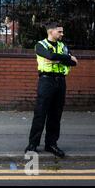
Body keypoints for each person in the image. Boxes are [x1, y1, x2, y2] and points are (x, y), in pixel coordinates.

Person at [25, 22, 78, 158]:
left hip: (61, 82)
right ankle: (33, 144)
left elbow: (74, 62)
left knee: (56, 114)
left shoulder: (63, 46)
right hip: (46, 81)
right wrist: (66, 58)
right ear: (51, 31)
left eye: (62, 31)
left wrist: (61, 59)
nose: (62, 34)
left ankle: (51, 144)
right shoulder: (40, 45)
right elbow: (51, 56)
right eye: (59, 31)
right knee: (40, 113)